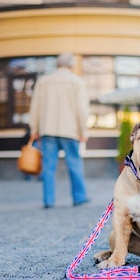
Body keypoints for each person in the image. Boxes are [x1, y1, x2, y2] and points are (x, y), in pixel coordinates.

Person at [29, 52, 90, 208]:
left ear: (57, 64)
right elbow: (82, 110)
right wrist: (84, 131)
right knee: (74, 164)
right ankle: (79, 197)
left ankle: (48, 200)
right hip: (70, 130)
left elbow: (35, 107)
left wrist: (34, 128)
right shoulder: (77, 82)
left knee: (48, 166)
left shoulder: (44, 81)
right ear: (71, 65)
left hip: (47, 129)